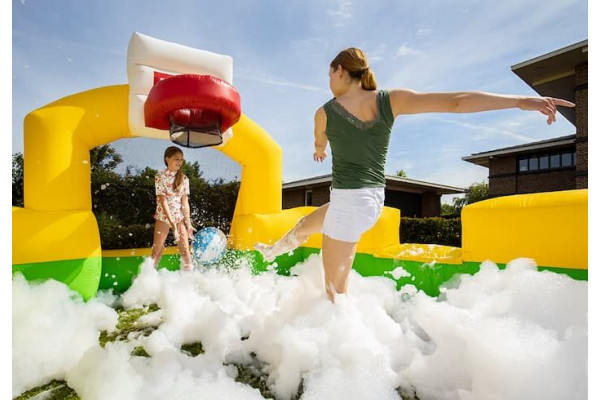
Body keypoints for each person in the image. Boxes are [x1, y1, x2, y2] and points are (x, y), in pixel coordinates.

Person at [254, 47, 575, 303]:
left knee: (335, 293)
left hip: (349, 204)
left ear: (339, 71)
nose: (329, 80)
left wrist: (320, 148)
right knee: (304, 225)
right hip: (366, 202)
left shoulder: (323, 112)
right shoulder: (390, 100)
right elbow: (456, 102)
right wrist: (522, 101)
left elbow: (318, 139)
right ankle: (268, 254)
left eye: (329, 74)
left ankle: (348, 361)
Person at [151, 146, 196, 271]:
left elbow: (185, 203)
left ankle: (189, 280)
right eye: (176, 159)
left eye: (181, 159)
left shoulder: (184, 179)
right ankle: (146, 280)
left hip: (178, 218)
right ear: (167, 159)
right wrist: (172, 223)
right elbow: (163, 201)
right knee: (157, 251)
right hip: (163, 217)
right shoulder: (160, 176)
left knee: (186, 251)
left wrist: (188, 223)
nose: (179, 162)